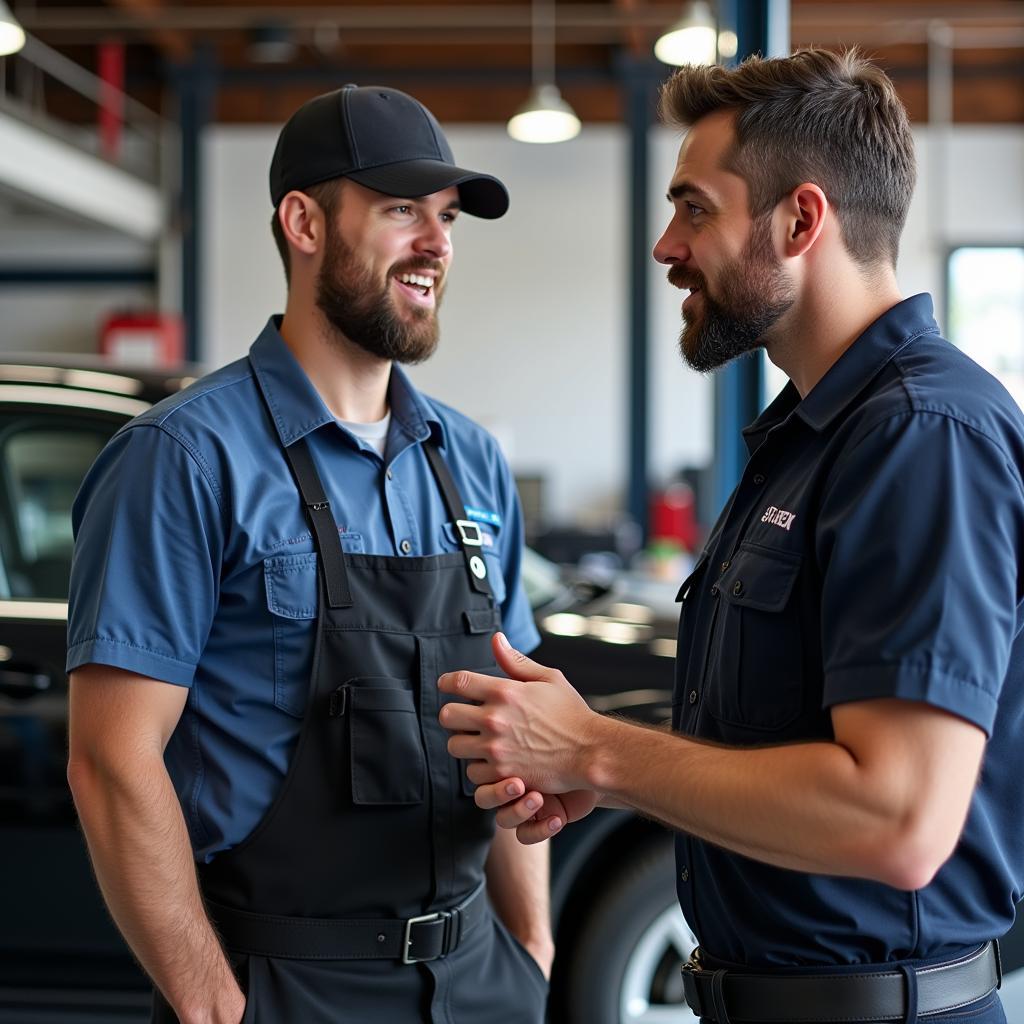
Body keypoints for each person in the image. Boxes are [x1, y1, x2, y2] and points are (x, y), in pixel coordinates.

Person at [439, 49, 1023, 1024]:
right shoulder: (808, 438)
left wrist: (596, 752)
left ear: (800, 220)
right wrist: (607, 768)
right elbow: (790, 749)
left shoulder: (922, 434)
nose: (668, 246)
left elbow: (898, 818)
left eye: (695, 209)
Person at [66, 84, 552, 1024]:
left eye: (446, 219)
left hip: (480, 979)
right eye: (402, 209)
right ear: (304, 222)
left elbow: (513, 721)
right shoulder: (184, 460)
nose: (437, 244)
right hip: (284, 984)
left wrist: (530, 949)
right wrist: (214, 1006)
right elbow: (112, 762)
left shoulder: (473, 462)